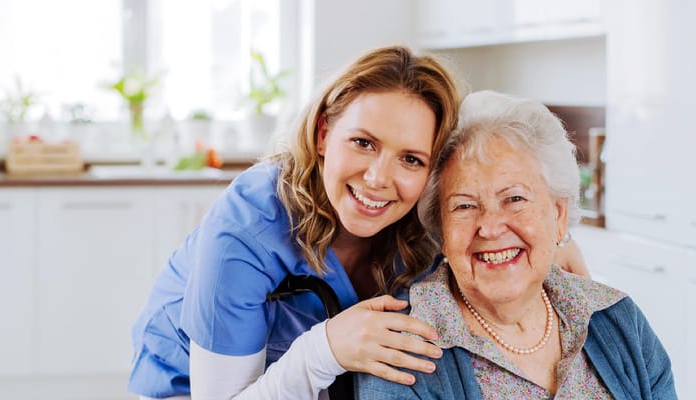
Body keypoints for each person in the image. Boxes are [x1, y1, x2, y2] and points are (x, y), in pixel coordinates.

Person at [127, 46, 461, 400]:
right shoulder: (248, 229)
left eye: (411, 159)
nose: (378, 178)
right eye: (363, 143)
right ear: (323, 135)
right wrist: (325, 350)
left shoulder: (427, 237)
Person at [356, 90, 676, 399]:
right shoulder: (399, 351)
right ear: (441, 230)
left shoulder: (619, 319)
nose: (491, 228)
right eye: (465, 206)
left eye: (515, 198)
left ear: (558, 215)